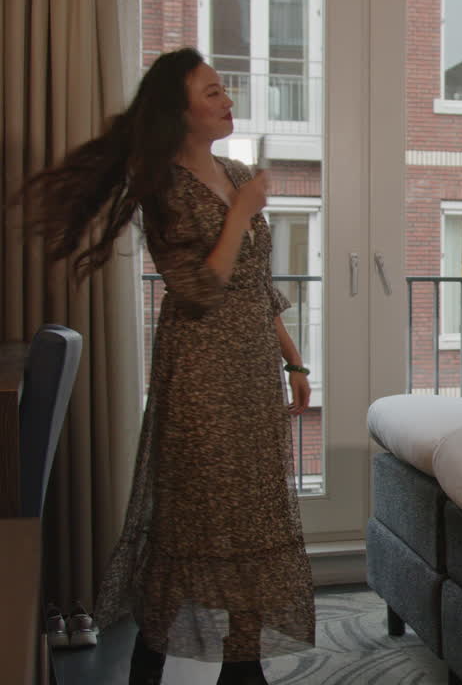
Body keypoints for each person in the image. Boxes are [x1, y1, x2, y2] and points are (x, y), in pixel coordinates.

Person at [14, 48, 315, 685]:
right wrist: (241, 214)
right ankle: (150, 658)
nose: (226, 98)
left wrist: (293, 362)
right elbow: (201, 290)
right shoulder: (165, 189)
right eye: (211, 92)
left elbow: (259, 283)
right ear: (178, 113)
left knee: (254, 515)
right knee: (195, 519)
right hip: (201, 375)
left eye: (223, 89)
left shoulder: (235, 172)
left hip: (252, 374)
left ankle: (244, 664)